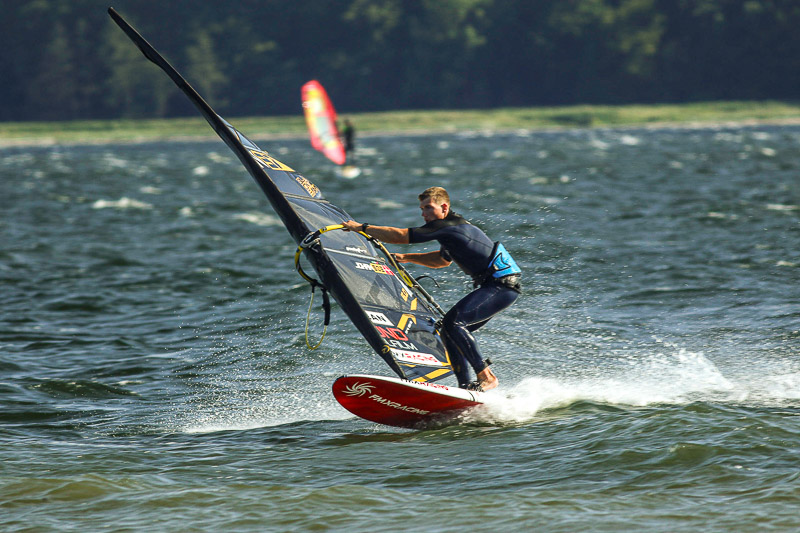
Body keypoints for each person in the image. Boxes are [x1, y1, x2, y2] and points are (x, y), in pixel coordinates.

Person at [343, 186, 521, 391]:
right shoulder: (449, 232)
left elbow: (400, 236)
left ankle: (486, 377)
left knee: (454, 323)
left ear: (444, 207)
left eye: (428, 208)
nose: (424, 213)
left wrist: (361, 227)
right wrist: (405, 258)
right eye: (421, 209)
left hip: (502, 285)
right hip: (496, 286)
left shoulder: (450, 227)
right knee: (448, 331)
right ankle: (466, 387)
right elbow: (441, 260)